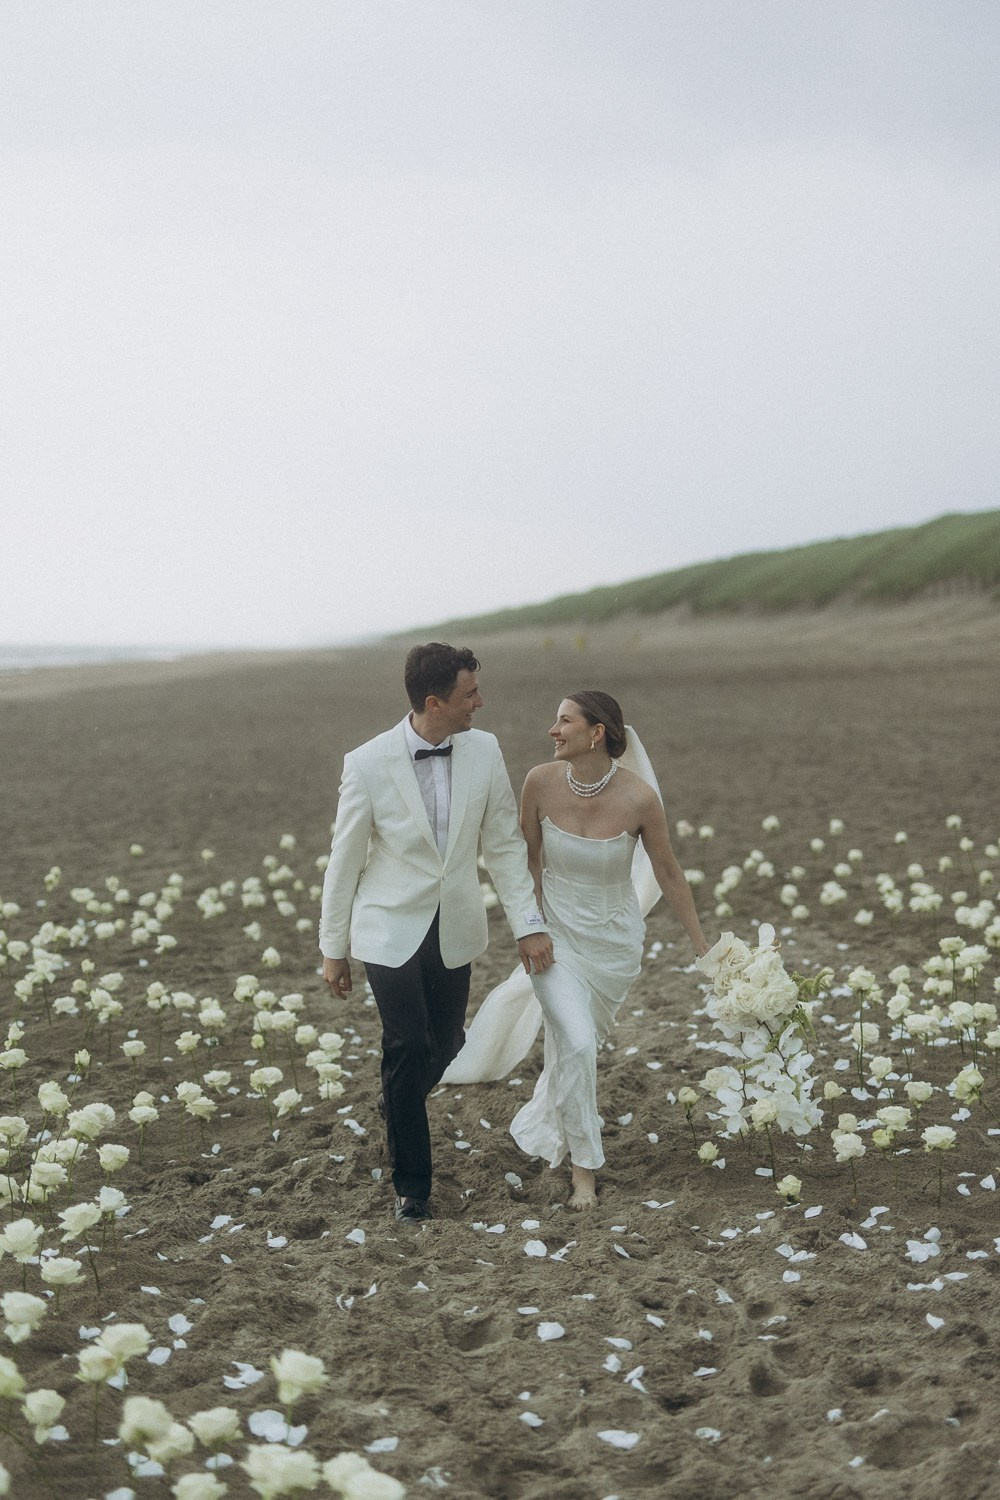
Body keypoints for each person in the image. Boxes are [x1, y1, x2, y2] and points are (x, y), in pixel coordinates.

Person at [443, 691, 709, 1211]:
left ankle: (557, 1129)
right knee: (580, 1044)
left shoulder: (639, 799)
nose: (553, 730)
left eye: (564, 721)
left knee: (572, 1046)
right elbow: (527, 863)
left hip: (614, 947)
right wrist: (529, 928)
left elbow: (668, 872)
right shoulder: (539, 782)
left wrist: (701, 944)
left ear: (596, 733)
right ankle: (584, 1169)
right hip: (554, 940)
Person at [319, 643, 553, 1222]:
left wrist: (528, 925)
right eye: (469, 693)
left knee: (446, 1046)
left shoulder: (484, 749)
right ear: (434, 702)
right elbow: (344, 861)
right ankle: (413, 1190)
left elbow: (504, 845)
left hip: (454, 925)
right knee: (406, 1044)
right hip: (387, 925)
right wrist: (333, 948)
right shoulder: (366, 763)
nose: (480, 702)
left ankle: (396, 1103)